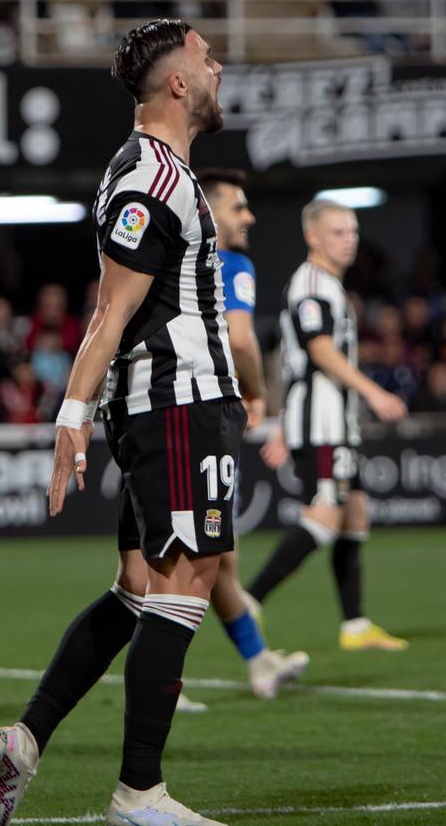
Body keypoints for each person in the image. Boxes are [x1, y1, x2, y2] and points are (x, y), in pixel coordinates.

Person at [0, 20, 242, 826]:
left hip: (161, 403)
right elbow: (110, 311)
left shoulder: (152, 171)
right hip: (177, 401)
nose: (218, 64)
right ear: (178, 84)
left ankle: (26, 739)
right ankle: (140, 793)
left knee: (136, 588)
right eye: (205, 56)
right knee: (190, 581)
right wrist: (71, 416)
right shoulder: (150, 180)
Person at [244, 198, 410, 651]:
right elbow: (318, 351)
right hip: (322, 419)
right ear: (312, 236)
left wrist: (284, 424)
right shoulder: (313, 284)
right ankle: (248, 601)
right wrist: (374, 392)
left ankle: (355, 625)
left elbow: (294, 358)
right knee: (326, 512)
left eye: (352, 231)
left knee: (355, 513)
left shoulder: (328, 285)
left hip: (326, 417)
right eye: (338, 232)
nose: (349, 239)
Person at [195, 168, 309, 699]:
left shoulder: (171, 260)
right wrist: (258, 393)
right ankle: (156, 683)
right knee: (174, 565)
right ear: (212, 209)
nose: (249, 216)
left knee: (218, 559)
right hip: (203, 424)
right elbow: (241, 340)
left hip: (159, 416)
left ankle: (259, 659)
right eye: (239, 206)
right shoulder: (232, 263)